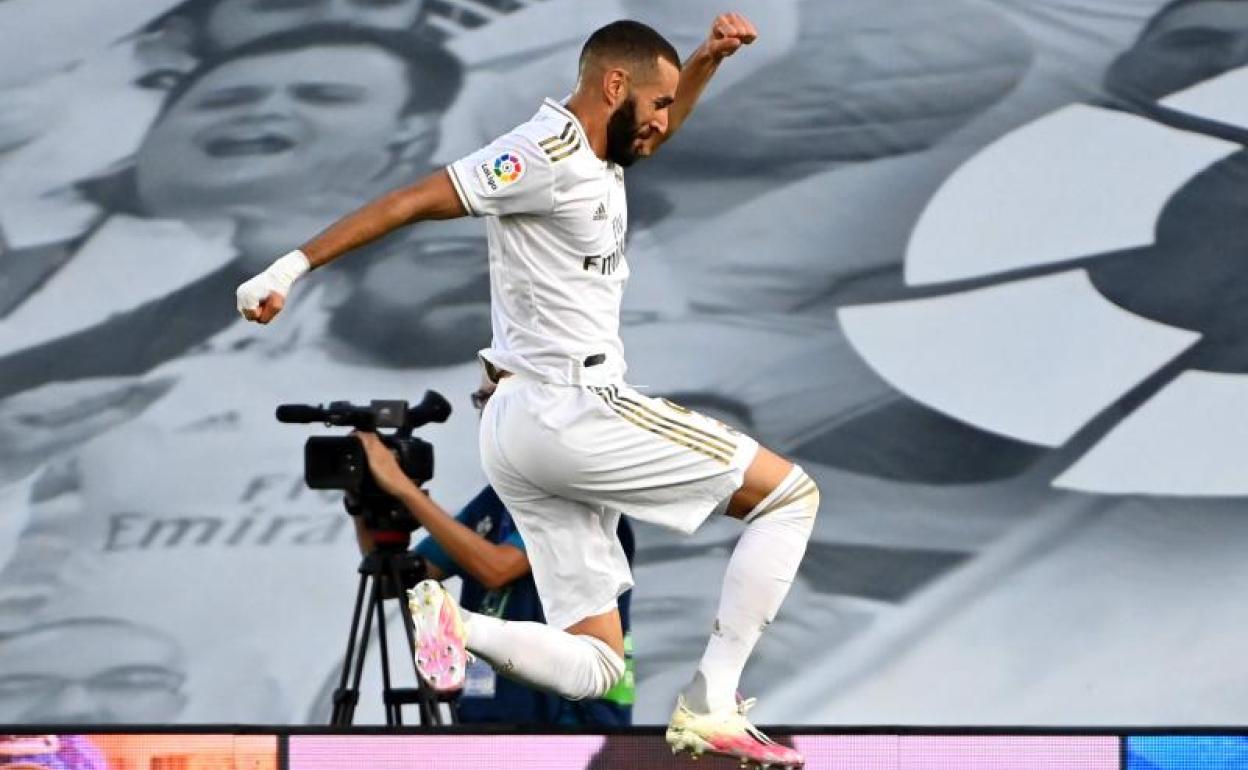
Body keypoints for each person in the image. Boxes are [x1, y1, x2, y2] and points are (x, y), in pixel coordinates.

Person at [237, 15, 815, 768]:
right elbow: (415, 199)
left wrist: (703, 63)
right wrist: (290, 267)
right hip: (573, 405)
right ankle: (712, 701)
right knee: (790, 496)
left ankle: (454, 623)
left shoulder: (598, 156)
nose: (666, 125)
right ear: (615, 86)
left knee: (599, 664)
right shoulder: (541, 153)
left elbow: (652, 134)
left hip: (522, 427)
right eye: (661, 104)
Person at [352, 379, 636, 726]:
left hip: (568, 724)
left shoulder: (576, 496)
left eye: (497, 395)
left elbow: (498, 567)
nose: (486, 408)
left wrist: (402, 487)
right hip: (486, 717)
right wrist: (363, 499)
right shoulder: (493, 501)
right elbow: (394, 581)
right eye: (481, 398)